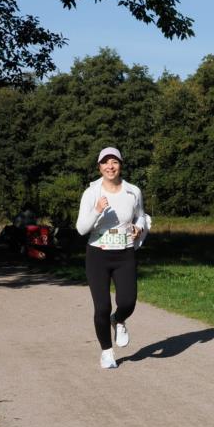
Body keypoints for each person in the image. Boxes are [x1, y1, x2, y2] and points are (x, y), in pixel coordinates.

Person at [76, 147, 151, 369]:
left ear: (120, 165)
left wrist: (138, 227)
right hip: (98, 254)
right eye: (105, 162)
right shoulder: (92, 193)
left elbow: (141, 217)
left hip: (124, 253)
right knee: (101, 307)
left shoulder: (133, 191)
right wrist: (97, 210)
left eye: (114, 162)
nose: (110, 166)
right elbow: (81, 228)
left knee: (128, 301)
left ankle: (118, 320)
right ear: (99, 167)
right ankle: (107, 352)